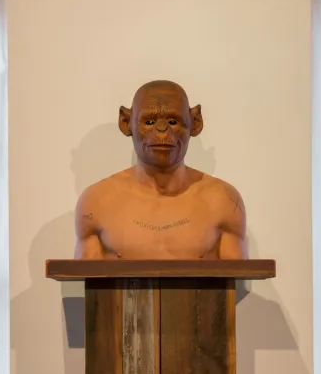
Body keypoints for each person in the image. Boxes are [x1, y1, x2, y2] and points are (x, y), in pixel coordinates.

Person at [74, 80, 247, 260]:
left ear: (195, 123)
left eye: (173, 121)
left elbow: (237, 274)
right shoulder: (97, 203)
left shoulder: (222, 201)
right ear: (126, 123)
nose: (162, 130)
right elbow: (87, 275)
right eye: (149, 122)